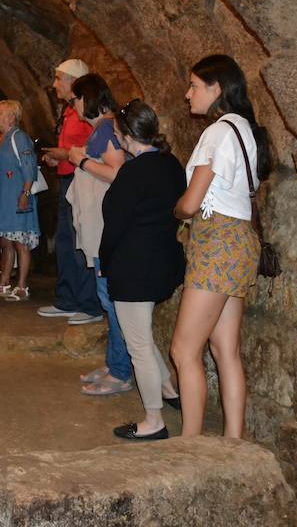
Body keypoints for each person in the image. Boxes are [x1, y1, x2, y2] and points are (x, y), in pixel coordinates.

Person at [171, 54, 273, 439]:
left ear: (216, 89)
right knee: (225, 349)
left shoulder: (216, 132)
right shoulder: (245, 129)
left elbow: (191, 202)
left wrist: (176, 209)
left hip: (217, 243)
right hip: (241, 241)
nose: (187, 94)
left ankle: (190, 445)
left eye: (194, 85)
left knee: (183, 350)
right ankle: (233, 442)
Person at [99, 100, 186, 440]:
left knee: (137, 345)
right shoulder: (171, 165)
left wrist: (106, 262)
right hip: (163, 261)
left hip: (133, 267)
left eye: (118, 132)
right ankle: (168, 389)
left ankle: (154, 421)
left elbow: (115, 226)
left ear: (126, 135)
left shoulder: (132, 173)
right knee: (143, 335)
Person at [63, 74, 131, 396]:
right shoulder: (103, 128)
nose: (72, 104)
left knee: (110, 297)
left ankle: (121, 371)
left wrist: (83, 160)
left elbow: (118, 173)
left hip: (107, 227)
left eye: (75, 98)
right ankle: (114, 362)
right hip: (102, 225)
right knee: (107, 296)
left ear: (87, 98)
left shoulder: (106, 127)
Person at [39, 59, 103, 325]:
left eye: (58, 78)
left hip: (84, 182)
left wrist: (64, 154)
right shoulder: (68, 111)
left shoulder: (86, 111)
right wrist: (59, 158)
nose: (54, 84)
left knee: (82, 243)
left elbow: (94, 149)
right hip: (68, 178)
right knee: (66, 241)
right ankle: (67, 299)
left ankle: (89, 304)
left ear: (73, 81)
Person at [0, 100, 39, 301]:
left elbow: (29, 166)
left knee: (20, 242)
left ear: (11, 117)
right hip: (2, 200)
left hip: (16, 197)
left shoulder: (19, 138)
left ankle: (22, 286)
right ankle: (4, 282)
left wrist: (25, 193)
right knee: (6, 241)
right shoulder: (1, 139)